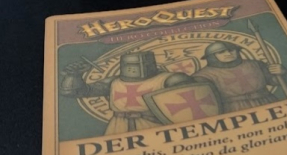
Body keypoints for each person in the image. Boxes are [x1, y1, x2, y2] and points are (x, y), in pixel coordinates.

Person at [59, 50, 195, 134]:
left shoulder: (169, 79)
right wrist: (74, 75)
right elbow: (74, 92)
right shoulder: (114, 82)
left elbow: (192, 101)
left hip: (154, 126)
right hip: (118, 127)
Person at [194, 41, 287, 111]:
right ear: (212, 57)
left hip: (267, 101)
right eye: (221, 52)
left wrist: (282, 73)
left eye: (231, 50)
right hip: (233, 108)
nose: (228, 54)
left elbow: (274, 81)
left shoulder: (255, 64)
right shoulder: (204, 76)